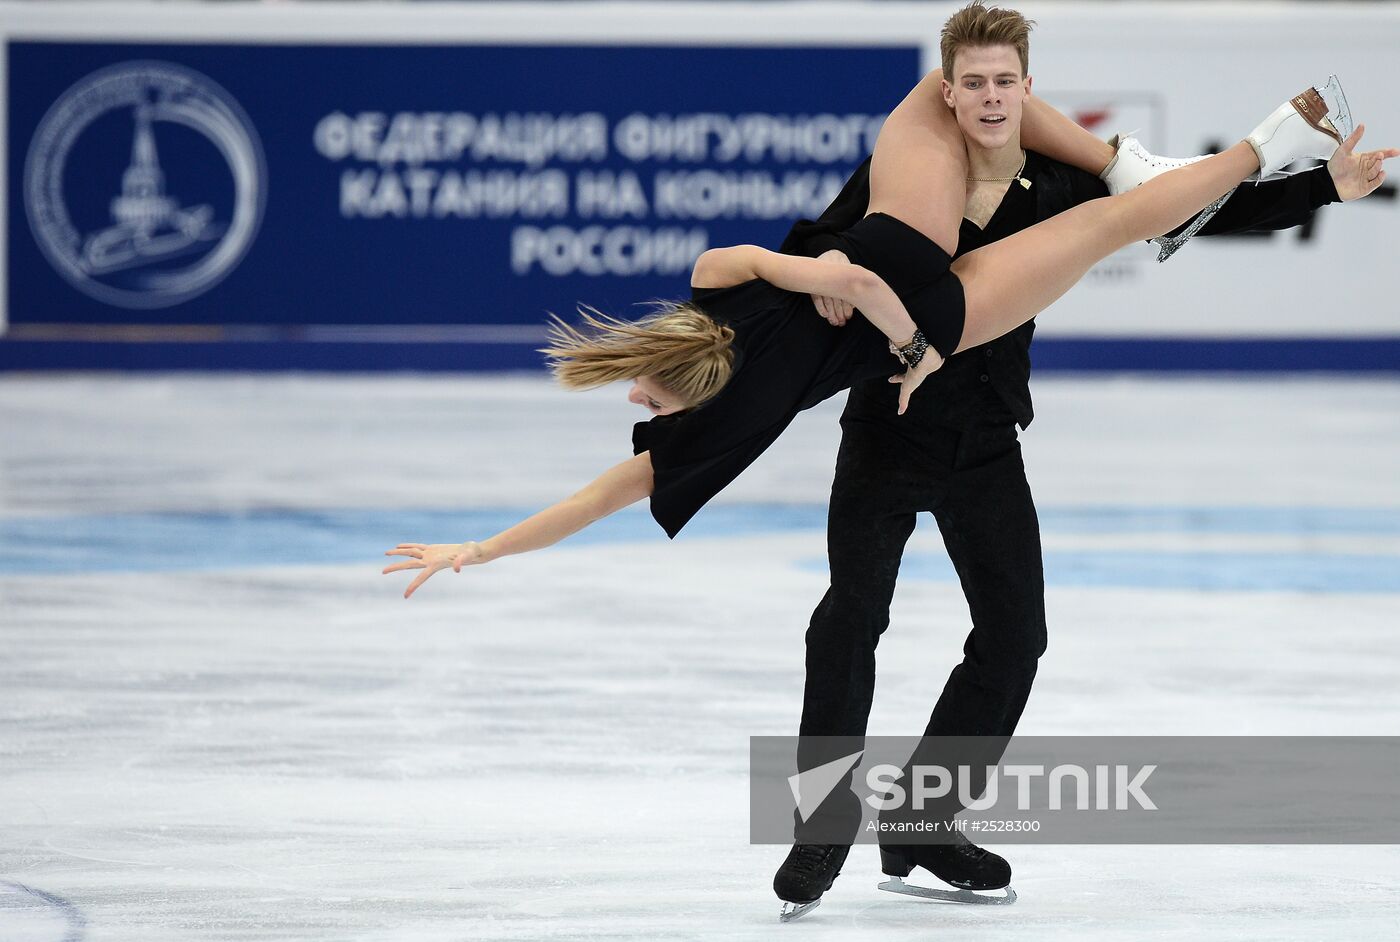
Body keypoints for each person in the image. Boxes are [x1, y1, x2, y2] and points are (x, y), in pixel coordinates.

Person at [769, 2, 1399, 923]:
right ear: (949, 92)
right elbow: (820, 240)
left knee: (1015, 636)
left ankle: (923, 823)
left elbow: (1181, 208)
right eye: (974, 84)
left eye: (1005, 83)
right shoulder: (912, 170)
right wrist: (828, 275)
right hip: (887, 431)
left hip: (985, 440)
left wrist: (1324, 190)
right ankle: (820, 825)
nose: (990, 98)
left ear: (1028, 91)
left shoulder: (1062, 180)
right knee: (851, 619)